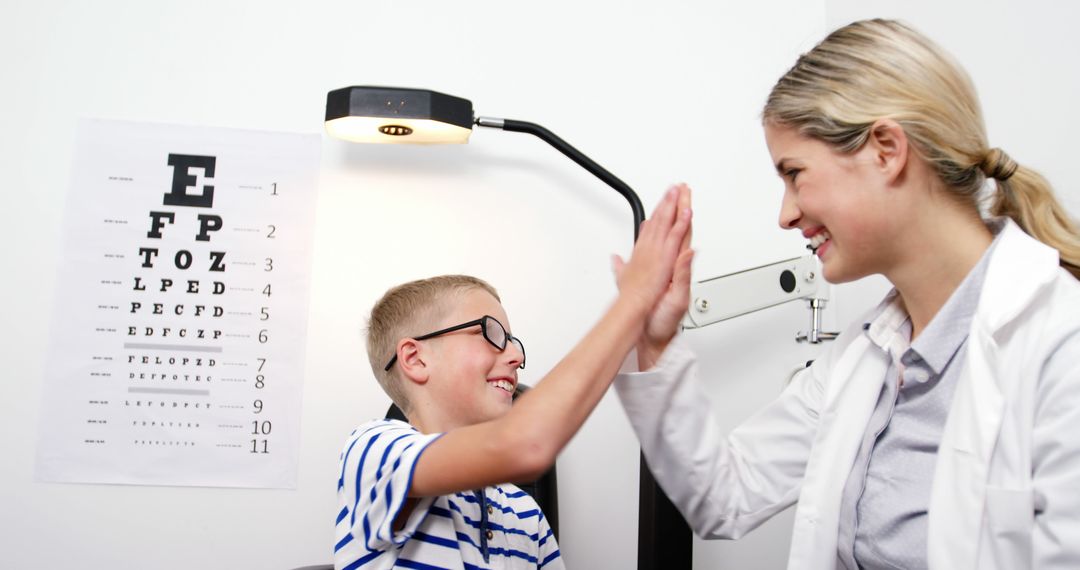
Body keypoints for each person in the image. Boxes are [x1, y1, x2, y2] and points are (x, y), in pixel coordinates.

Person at [614, 18, 1080, 570]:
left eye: (794, 173)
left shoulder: (1058, 344)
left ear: (886, 150)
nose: (785, 214)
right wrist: (658, 340)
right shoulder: (866, 354)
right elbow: (725, 498)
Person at [333, 185, 693, 569]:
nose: (517, 356)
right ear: (415, 358)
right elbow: (525, 444)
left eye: (514, 341)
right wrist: (634, 302)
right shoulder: (373, 453)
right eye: (491, 333)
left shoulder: (523, 510)